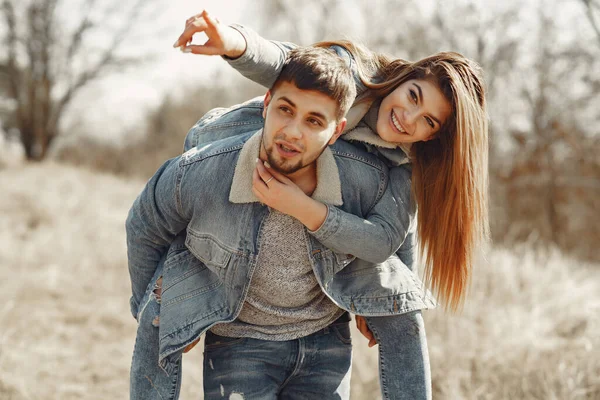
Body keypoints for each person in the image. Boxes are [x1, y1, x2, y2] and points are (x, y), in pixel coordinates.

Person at [170, 10, 489, 399]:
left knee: (407, 310)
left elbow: (390, 236)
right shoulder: (350, 71)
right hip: (224, 160)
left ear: (434, 137)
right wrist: (234, 43)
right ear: (405, 77)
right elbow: (284, 61)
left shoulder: (405, 165)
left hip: (319, 314)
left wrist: (381, 299)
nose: (408, 119)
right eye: (413, 96)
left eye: (429, 122)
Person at [127, 46, 432, 400]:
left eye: (314, 121)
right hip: (240, 343)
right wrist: (164, 317)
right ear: (266, 104)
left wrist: (378, 300)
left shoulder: (368, 178)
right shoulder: (199, 172)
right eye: (285, 110)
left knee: (410, 318)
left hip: (325, 340)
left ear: (336, 132)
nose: (292, 131)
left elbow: (396, 234)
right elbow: (143, 226)